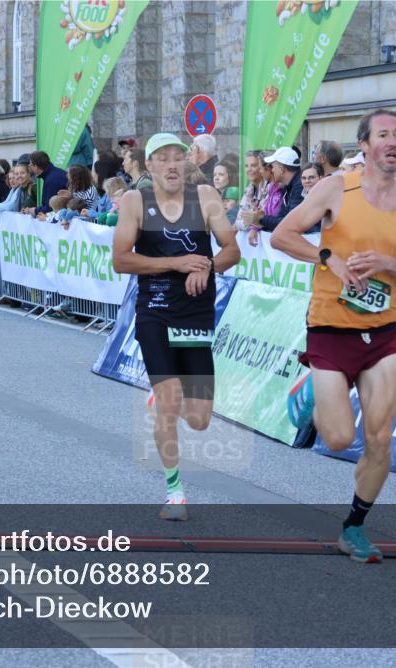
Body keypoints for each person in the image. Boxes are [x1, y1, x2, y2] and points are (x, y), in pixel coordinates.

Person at [270, 109, 396, 563]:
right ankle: (310, 394)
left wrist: (386, 264)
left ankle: (354, 528)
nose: (392, 142)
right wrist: (329, 259)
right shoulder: (337, 188)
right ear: (364, 145)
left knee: (381, 440)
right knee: (339, 439)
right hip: (330, 328)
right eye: (382, 135)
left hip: (381, 334)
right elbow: (281, 235)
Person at [112, 132, 240, 521]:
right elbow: (121, 260)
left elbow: (232, 249)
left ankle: (163, 398)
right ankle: (175, 493)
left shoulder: (205, 199)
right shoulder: (136, 201)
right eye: (162, 158)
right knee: (169, 403)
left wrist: (209, 266)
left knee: (199, 419)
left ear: (187, 164)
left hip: (195, 314)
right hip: (155, 311)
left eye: (177, 158)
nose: (171, 165)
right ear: (148, 166)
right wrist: (176, 264)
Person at [254, 147, 303, 233]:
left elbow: (289, 223)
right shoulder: (289, 186)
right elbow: (282, 218)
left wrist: (261, 218)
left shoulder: (299, 186)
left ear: (281, 170)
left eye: (273, 167)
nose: (272, 170)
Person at [234, 150, 269, 231]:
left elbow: (261, 219)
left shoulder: (270, 188)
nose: (249, 169)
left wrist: (250, 221)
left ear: (262, 167)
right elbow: (238, 220)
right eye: (246, 166)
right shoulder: (249, 190)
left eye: (253, 165)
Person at [24, 151, 68, 215]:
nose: (29, 167)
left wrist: (34, 210)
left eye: (30, 165)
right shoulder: (55, 173)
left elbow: (50, 208)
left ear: (36, 167)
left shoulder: (51, 179)